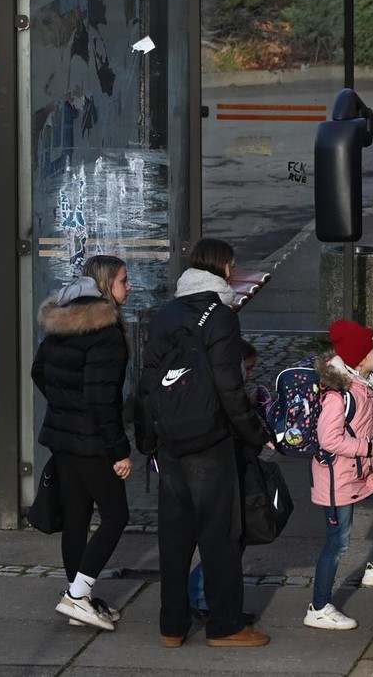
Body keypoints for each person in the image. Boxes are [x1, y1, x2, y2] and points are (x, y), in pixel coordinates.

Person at [137, 238, 272, 649]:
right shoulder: (221, 316)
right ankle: (225, 625)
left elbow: (147, 381)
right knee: (220, 537)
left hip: (170, 440)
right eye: (232, 265)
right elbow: (229, 386)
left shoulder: (166, 314)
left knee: (174, 537)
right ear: (224, 268)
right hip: (209, 441)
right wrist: (255, 433)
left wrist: (148, 439)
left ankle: (172, 626)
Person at [30, 254, 133, 632]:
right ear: (105, 285)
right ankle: (77, 595)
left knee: (77, 516)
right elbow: (101, 399)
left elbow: (38, 371)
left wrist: (64, 405)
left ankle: (78, 599)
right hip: (91, 441)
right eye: (123, 281)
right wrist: (119, 450)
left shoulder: (62, 322)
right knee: (116, 516)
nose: (129, 287)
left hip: (63, 437)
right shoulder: (106, 332)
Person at [305, 319, 373, 630]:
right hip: (337, 480)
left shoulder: (364, 382)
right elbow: (329, 439)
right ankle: (318, 607)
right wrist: (371, 448)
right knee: (337, 543)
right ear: (361, 357)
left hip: (360, 473)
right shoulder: (339, 395)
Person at [189, 338, 262, 619]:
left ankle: (210, 599)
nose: (250, 374)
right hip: (221, 475)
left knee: (229, 543)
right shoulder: (224, 393)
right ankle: (201, 598)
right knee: (222, 544)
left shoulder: (226, 390)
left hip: (226, 473)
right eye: (248, 368)